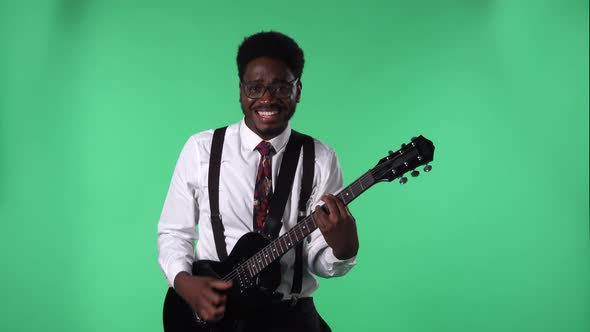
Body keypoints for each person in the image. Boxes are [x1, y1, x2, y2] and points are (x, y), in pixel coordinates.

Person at [158, 31, 359, 332]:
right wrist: (185, 284)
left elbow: (320, 261)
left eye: (281, 87)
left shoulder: (319, 158)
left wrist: (343, 250)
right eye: (256, 87)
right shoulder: (202, 150)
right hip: (216, 317)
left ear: (298, 90)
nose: (267, 98)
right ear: (241, 91)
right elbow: (174, 232)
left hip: (290, 318)